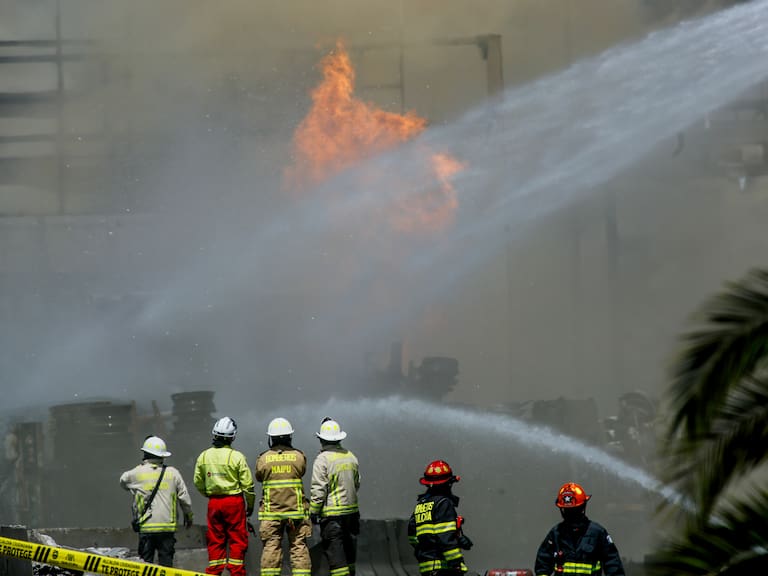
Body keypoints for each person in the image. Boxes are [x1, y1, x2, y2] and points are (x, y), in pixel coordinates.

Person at [194, 417, 256, 576]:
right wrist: (250, 505)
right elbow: (248, 485)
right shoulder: (237, 457)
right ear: (233, 437)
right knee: (237, 539)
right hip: (234, 503)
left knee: (215, 539)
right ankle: (236, 572)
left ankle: (214, 572)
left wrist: (209, 494)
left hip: (214, 503)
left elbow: (198, 482)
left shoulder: (203, 456)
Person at [120, 435, 194, 567]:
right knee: (166, 565)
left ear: (145, 454)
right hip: (167, 527)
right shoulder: (173, 473)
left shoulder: (137, 473)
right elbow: (184, 498)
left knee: (145, 566)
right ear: (163, 456)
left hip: (146, 527)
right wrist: (188, 516)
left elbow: (123, 481)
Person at [255, 417, 311, 576]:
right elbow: (302, 470)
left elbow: (259, 477)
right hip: (296, 512)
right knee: (299, 547)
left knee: (271, 547)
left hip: (271, 513)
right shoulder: (299, 456)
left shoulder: (263, 459)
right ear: (289, 437)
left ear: (271, 438)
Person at [534, 482, 625, 576]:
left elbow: (613, 566)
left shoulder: (598, 533)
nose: (570, 514)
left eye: (573, 510)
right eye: (567, 510)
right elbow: (542, 566)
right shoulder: (555, 534)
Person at [309, 418, 360, 576]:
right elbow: (357, 483)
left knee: (336, 555)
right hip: (352, 514)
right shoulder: (350, 456)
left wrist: (313, 512)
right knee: (349, 553)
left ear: (322, 439)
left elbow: (319, 490)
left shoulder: (322, 459)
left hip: (332, 517)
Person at [407, 460, 472, 576]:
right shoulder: (443, 503)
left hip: (426, 568)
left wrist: (428, 550)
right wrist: (456, 563)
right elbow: (445, 536)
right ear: (448, 483)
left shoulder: (420, 505)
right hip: (443, 569)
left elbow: (413, 537)